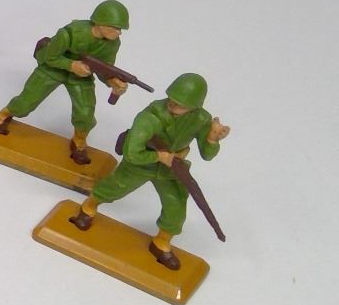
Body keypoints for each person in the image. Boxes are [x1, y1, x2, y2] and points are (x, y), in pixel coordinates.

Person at [71, 73, 229, 270]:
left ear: (195, 106)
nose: (173, 105)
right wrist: (158, 157)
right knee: (115, 187)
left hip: (171, 169)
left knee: (176, 205)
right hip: (141, 163)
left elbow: (207, 155)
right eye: (172, 99)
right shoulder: (151, 117)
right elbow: (132, 153)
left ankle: (161, 242)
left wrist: (212, 138)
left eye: (181, 104)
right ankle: (88, 207)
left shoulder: (201, 119)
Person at [0, 0, 131, 163]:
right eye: (115, 28)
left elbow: (104, 68)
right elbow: (50, 57)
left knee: (85, 113)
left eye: (120, 29)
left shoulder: (112, 44)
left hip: (80, 76)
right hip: (53, 68)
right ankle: (4, 115)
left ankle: (79, 141)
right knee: (26, 102)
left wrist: (113, 81)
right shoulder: (71, 32)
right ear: (100, 23)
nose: (119, 33)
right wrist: (72, 65)